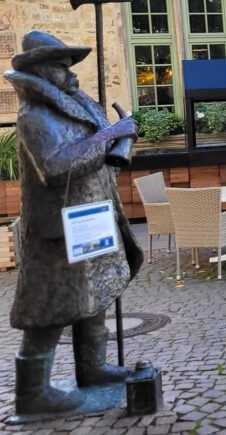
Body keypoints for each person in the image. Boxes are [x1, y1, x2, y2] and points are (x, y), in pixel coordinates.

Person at [3, 31, 143, 415]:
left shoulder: (74, 109)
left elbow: (96, 153)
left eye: (69, 66)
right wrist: (112, 134)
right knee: (48, 307)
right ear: (41, 71)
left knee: (94, 293)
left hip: (90, 217)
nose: (71, 74)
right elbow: (55, 166)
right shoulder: (34, 117)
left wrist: (119, 140)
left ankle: (93, 368)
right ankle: (34, 392)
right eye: (61, 67)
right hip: (56, 230)